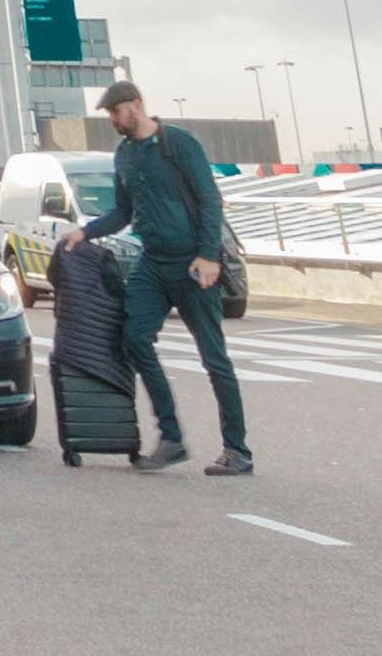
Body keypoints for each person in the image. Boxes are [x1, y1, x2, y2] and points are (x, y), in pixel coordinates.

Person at [80, 81, 251, 475]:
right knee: (135, 339)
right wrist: (83, 233)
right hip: (152, 263)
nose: (113, 121)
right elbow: (122, 213)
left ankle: (237, 450)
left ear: (136, 106)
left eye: (116, 112)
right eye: (109, 115)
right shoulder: (124, 155)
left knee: (214, 358)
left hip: (193, 264)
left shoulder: (179, 144)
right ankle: (171, 438)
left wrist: (209, 256)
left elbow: (210, 199)